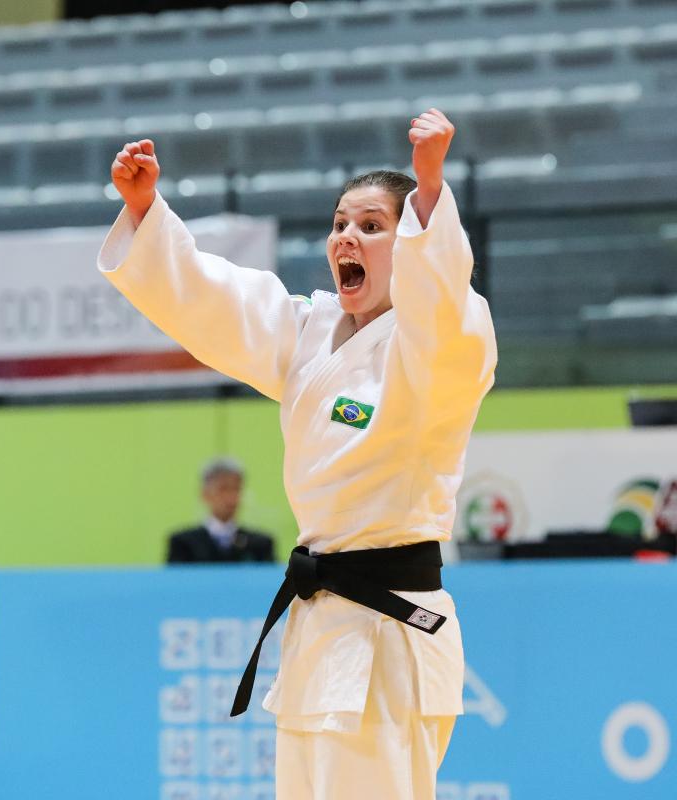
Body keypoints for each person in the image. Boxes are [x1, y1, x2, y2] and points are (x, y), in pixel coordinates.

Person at [100, 110, 496, 799]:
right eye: (341, 223)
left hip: (388, 628)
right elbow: (217, 302)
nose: (348, 235)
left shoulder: (437, 345)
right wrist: (145, 211)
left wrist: (430, 192)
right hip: (322, 626)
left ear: (411, 245)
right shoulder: (313, 330)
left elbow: (443, 305)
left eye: (372, 226)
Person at [167, 457, 276, 563]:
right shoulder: (183, 544)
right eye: (223, 489)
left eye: (236, 489)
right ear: (205, 494)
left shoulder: (261, 544)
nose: (231, 497)